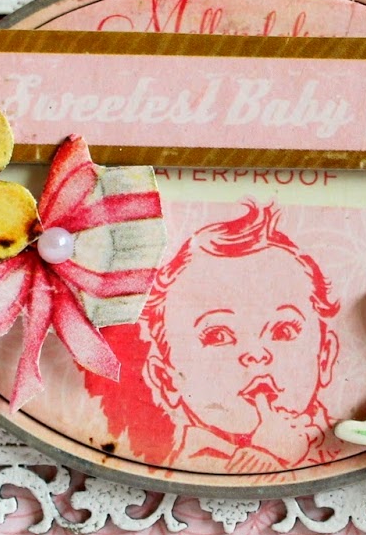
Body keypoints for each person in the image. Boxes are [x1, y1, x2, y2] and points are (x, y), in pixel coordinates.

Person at [134, 201, 343, 473]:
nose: (257, 354)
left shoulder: (342, 447)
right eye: (219, 335)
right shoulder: (183, 468)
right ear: (166, 380)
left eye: (283, 331)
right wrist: (268, 454)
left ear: (324, 358)